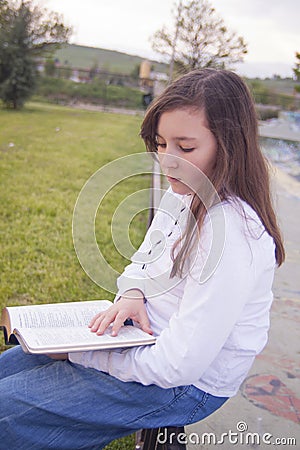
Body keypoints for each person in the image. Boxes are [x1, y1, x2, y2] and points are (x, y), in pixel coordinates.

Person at [0, 69, 284, 449]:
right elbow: (145, 257)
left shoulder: (233, 234)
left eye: (185, 148)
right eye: (161, 143)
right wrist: (132, 291)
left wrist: (79, 355)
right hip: (142, 344)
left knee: (8, 413)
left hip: (186, 384)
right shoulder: (186, 191)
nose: (167, 161)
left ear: (230, 145)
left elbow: (178, 365)